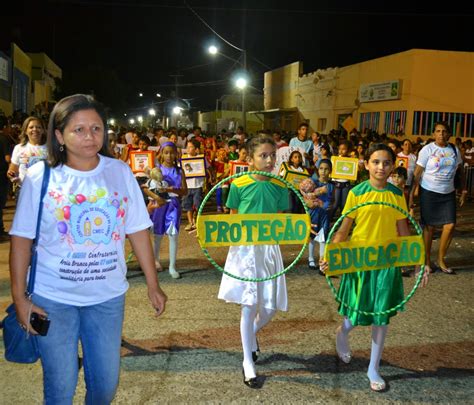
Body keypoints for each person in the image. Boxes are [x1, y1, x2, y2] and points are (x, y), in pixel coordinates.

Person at [9, 94, 167, 404]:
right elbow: (21, 240)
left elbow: (137, 229)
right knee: (60, 386)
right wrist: (19, 298)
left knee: (106, 386)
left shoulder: (119, 172)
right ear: (59, 135)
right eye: (78, 130)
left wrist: (153, 283)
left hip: (107, 299)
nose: (89, 137)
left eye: (96, 128)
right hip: (53, 298)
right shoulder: (42, 176)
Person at [319, 143, 428, 392]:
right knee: (355, 316)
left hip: (386, 264)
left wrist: (420, 262)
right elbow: (344, 229)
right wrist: (331, 257)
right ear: (366, 164)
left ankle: (373, 368)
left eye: (387, 163)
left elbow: (404, 232)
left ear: (393, 166)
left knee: (381, 317)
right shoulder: (356, 193)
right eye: (376, 162)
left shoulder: (396, 194)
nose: (381, 167)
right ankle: (342, 333)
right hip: (359, 262)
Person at [218, 135, 289, 388]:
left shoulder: (281, 186)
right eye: (263, 155)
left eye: (273, 155)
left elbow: (281, 220)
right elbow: (232, 218)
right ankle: (247, 361)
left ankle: (251, 336)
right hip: (246, 250)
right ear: (250, 159)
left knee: (269, 307)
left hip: (269, 249)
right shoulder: (238, 184)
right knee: (248, 305)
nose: (270, 160)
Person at [409, 121, 467, 274]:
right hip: (429, 192)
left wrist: (464, 190)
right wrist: (411, 196)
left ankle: (441, 259)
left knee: (450, 225)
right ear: (433, 134)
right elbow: (417, 174)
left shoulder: (454, 149)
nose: (441, 134)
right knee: (430, 227)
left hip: (448, 193)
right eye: (438, 131)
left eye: (444, 131)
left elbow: (460, 171)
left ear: (449, 134)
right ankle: (427, 260)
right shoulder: (427, 150)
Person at [145, 141, 187, 279]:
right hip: (159, 205)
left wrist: (170, 189)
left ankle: (172, 266)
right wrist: (156, 196)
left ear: (176, 154)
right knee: (157, 234)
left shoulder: (179, 171)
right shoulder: (156, 170)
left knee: (173, 234)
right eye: (166, 152)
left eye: (171, 152)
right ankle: (155, 261)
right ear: (161, 153)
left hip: (173, 205)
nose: (169, 155)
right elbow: (146, 188)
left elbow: (184, 191)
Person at [7, 116, 48, 196]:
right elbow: (12, 170)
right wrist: (12, 175)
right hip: (24, 190)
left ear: (43, 130)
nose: (35, 129)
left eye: (38, 127)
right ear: (25, 131)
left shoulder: (51, 148)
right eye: (31, 127)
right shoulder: (19, 148)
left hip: (45, 191)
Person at [307, 159, 334, 274]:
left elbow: (329, 202)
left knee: (323, 239)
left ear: (330, 171)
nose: (323, 171)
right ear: (318, 170)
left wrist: (325, 205)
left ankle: (321, 263)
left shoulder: (331, 186)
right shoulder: (312, 182)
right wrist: (315, 195)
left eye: (326, 169)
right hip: (313, 213)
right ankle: (311, 259)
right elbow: (307, 197)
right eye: (321, 168)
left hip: (324, 215)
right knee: (312, 236)